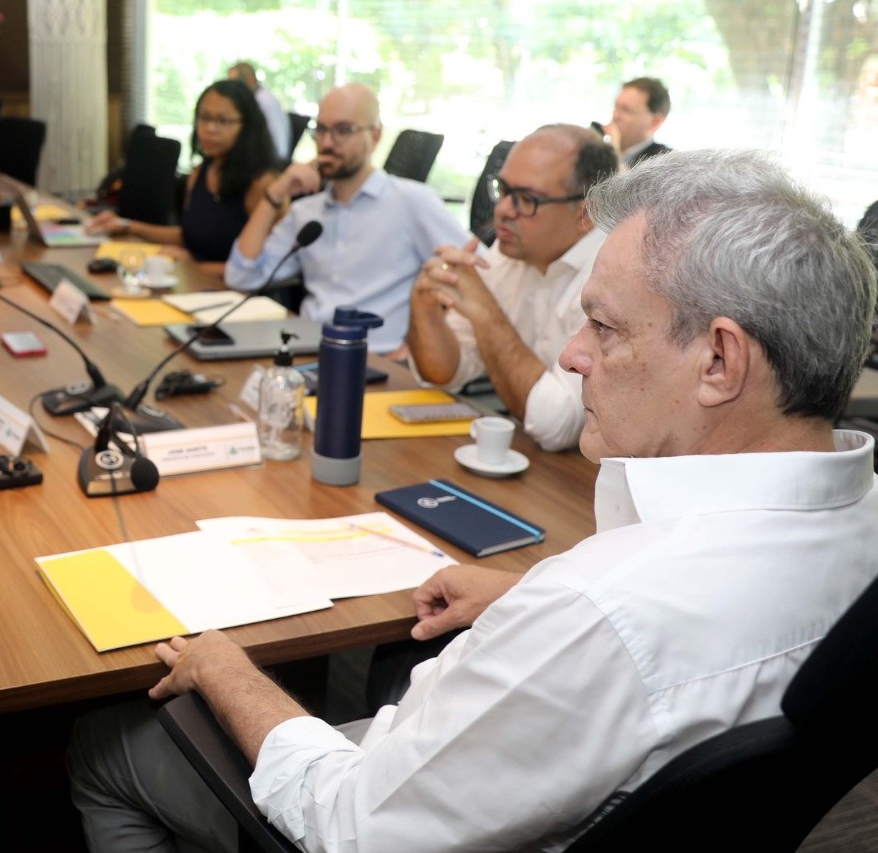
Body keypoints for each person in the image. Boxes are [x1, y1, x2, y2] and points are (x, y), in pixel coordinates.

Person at [67, 148, 878, 852]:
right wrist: (527, 593)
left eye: (603, 327)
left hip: (370, 816)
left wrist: (225, 670)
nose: (573, 354)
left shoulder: (595, 614)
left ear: (720, 362)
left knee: (103, 746)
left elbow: (349, 826)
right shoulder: (863, 521)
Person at [405, 125, 619, 451]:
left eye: (527, 199)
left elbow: (557, 427)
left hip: (593, 472)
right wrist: (426, 308)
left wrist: (485, 311)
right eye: (503, 190)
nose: (503, 210)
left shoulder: (613, 276)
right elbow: (448, 373)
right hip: (526, 453)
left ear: (586, 214)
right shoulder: (511, 253)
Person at [224, 83, 468, 355]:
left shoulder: (412, 202)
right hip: (307, 350)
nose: (327, 143)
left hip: (378, 357)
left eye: (343, 130)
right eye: (321, 130)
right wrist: (274, 194)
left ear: (375, 136)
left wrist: (417, 350)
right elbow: (241, 277)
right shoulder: (306, 213)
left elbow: (478, 277)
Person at [87, 80, 279, 265]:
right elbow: (188, 237)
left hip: (227, 286)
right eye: (205, 118)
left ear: (248, 126)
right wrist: (127, 225)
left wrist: (194, 266)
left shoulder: (263, 183)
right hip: (191, 279)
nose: (210, 128)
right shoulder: (201, 172)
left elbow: (266, 268)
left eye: (223, 120)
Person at [604, 76, 671, 168]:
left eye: (626, 110)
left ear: (655, 122)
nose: (616, 116)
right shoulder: (598, 147)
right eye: (616, 107)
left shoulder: (664, 162)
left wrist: (613, 153)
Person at [229, 61, 291, 160]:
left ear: (251, 81)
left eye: (237, 84)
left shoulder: (261, 101)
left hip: (271, 160)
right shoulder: (262, 97)